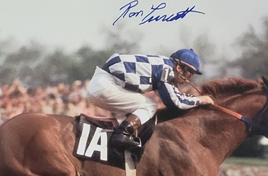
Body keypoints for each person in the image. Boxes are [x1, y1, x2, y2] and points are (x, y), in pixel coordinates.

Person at [86, 48, 214, 149]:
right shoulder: (166, 70)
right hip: (104, 85)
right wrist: (201, 100)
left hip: (101, 84)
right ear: (178, 68)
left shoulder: (162, 67)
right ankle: (121, 134)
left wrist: (194, 98)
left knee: (140, 107)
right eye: (188, 74)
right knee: (150, 106)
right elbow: (176, 102)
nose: (187, 80)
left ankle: (116, 133)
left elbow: (174, 95)